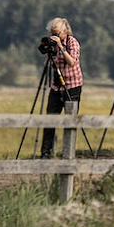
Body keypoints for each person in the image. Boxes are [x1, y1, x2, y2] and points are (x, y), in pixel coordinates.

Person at [40, 17, 83, 159]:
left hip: (72, 85)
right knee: (50, 118)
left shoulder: (72, 42)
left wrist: (61, 47)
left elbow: (72, 62)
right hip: (56, 85)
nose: (54, 36)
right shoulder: (53, 44)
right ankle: (46, 152)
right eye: (52, 33)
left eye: (57, 34)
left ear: (65, 32)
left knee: (70, 120)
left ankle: (68, 152)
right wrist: (49, 50)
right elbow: (48, 64)